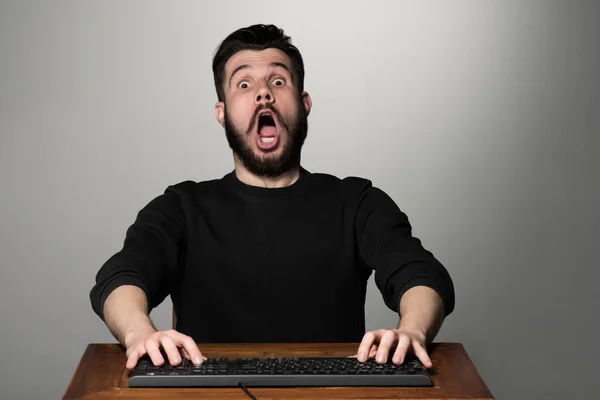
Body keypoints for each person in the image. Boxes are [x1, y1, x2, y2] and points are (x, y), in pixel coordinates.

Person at [90, 24, 455, 371]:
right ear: (222, 113)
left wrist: (412, 331)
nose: (263, 92)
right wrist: (140, 333)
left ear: (304, 103)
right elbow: (124, 274)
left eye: (278, 81)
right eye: (244, 83)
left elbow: (418, 272)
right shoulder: (182, 207)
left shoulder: (356, 200)